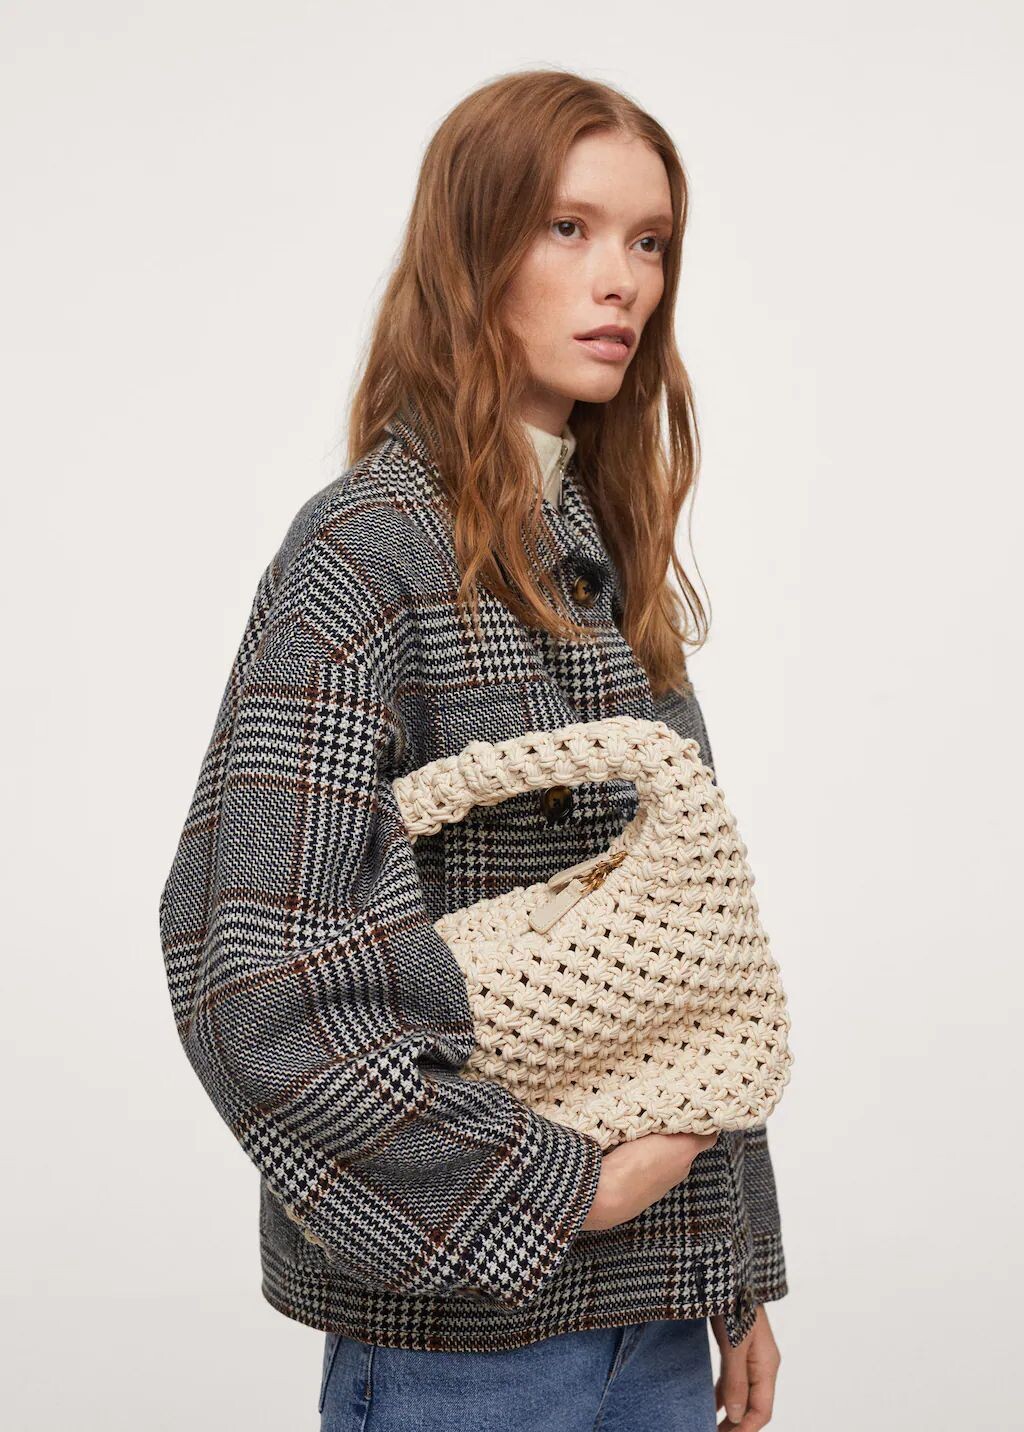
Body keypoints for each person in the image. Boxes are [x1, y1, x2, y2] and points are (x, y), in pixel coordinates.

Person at [158, 68, 786, 1432]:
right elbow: (249, 980)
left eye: (649, 241)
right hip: (472, 1352)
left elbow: (691, 949)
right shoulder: (369, 551)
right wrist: (564, 1190)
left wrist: (732, 1274)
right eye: (569, 228)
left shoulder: (605, 555)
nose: (622, 281)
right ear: (470, 250)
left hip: (656, 1330)